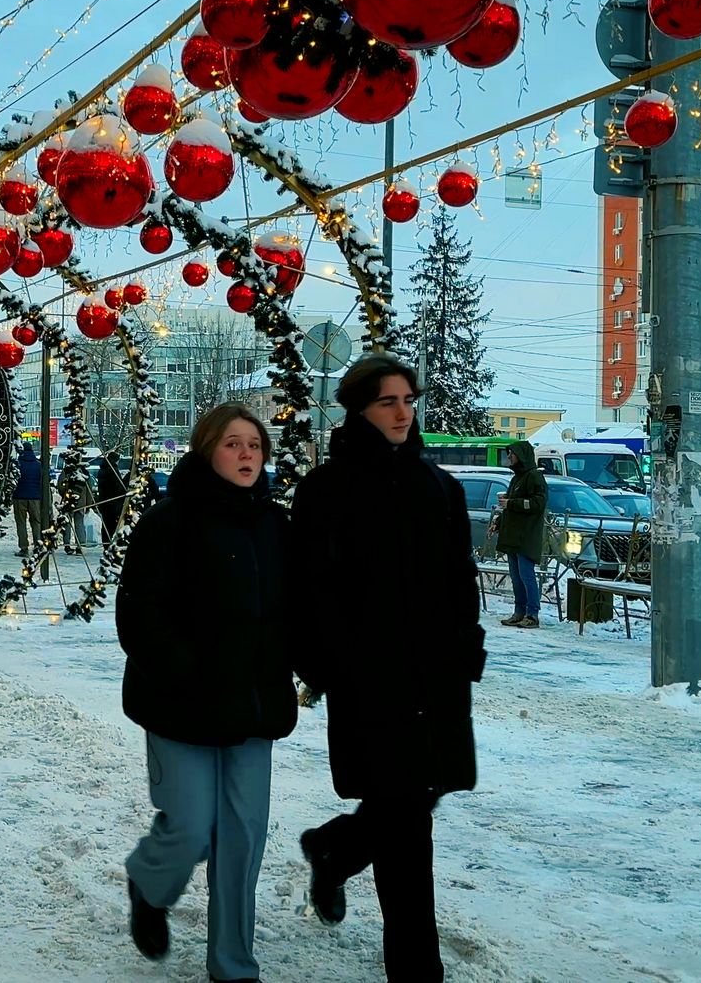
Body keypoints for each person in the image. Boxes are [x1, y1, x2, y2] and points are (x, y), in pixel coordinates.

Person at [289, 353, 486, 983]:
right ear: (359, 409)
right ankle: (416, 968)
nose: (403, 413)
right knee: (405, 826)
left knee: (414, 803)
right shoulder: (328, 488)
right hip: (369, 681)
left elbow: (462, 581)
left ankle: (336, 848)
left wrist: (467, 649)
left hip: (437, 678)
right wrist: (330, 665)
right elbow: (310, 589)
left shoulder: (440, 488)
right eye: (388, 402)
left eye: (408, 400)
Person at [119, 404, 295, 982]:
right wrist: (186, 673)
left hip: (252, 708)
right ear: (205, 451)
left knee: (242, 839)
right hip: (182, 707)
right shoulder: (167, 522)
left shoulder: (275, 526)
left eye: (255, 445)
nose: (247, 455)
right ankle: (151, 882)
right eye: (233, 444)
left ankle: (233, 966)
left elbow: (297, 612)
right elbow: (140, 615)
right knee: (193, 825)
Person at [497, 440, 549, 628]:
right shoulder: (516, 478)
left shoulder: (534, 477)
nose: (509, 456)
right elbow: (511, 505)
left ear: (522, 455)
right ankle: (519, 612)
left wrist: (512, 503)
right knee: (516, 576)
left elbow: (538, 504)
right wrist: (499, 522)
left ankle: (532, 614)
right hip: (513, 537)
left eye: (512, 453)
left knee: (527, 576)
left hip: (526, 537)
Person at [11, 442, 46, 556]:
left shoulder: (18, 464)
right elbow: (42, 481)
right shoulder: (38, 464)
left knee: (21, 523)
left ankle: (24, 547)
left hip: (19, 497)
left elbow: (13, 480)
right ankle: (38, 545)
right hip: (35, 497)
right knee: (36, 522)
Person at [97, 447, 127, 541]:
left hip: (104, 501)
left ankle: (105, 542)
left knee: (105, 524)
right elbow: (117, 486)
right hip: (113, 502)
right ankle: (111, 541)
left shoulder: (102, 469)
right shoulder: (112, 470)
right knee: (112, 524)